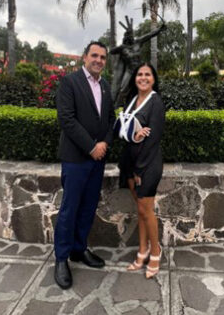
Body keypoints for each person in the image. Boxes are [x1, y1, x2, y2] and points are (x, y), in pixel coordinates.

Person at [53, 41, 116, 290]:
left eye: (102, 57)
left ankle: (79, 250)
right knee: (70, 209)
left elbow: (110, 119)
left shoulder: (105, 85)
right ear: (85, 57)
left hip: (97, 161)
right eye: (94, 55)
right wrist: (92, 146)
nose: (98, 60)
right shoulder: (70, 82)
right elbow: (66, 119)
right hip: (76, 158)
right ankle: (61, 259)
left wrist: (104, 144)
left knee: (88, 208)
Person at [117, 62, 165, 279]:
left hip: (147, 165)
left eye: (147, 74)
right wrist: (134, 135)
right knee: (140, 210)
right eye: (139, 74)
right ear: (135, 78)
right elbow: (121, 128)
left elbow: (153, 139)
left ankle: (156, 252)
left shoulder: (156, 103)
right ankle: (142, 250)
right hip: (129, 162)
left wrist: (139, 170)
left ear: (153, 79)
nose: (143, 77)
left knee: (147, 210)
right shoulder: (131, 101)